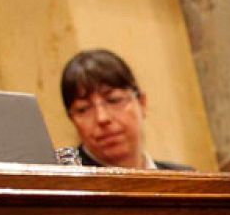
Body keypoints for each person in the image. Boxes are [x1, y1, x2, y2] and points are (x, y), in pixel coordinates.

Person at [59, 49, 192, 170]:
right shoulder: (63, 188)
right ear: (72, 119)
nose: (102, 118)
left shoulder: (187, 181)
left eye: (114, 100)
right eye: (83, 109)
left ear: (142, 102)